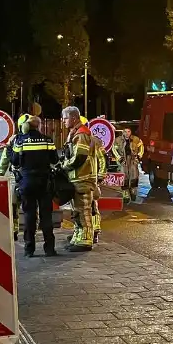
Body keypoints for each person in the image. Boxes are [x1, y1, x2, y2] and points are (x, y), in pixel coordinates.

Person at [3, 114, 59, 257]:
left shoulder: (20, 141)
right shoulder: (47, 140)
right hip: (45, 183)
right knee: (46, 216)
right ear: (39, 126)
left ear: (26, 126)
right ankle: (50, 249)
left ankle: (29, 250)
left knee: (29, 216)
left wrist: (10, 148)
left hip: (26, 182)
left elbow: (15, 162)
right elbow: (55, 159)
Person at [60, 106, 97, 252]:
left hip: (82, 178)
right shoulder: (75, 133)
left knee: (83, 211)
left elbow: (79, 157)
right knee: (77, 211)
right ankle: (78, 237)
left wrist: (65, 166)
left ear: (74, 118)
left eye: (65, 118)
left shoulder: (81, 134)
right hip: (77, 178)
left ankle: (85, 240)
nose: (63, 121)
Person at [113, 126, 144, 202]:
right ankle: (125, 194)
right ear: (123, 132)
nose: (127, 133)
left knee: (134, 177)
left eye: (128, 131)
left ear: (131, 132)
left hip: (133, 160)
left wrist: (139, 156)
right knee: (124, 178)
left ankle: (133, 192)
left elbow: (141, 147)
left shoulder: (136, 139)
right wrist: (119, 158)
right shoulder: (118, 140)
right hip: (123, 160)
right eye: (125, 131)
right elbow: (114, 149)